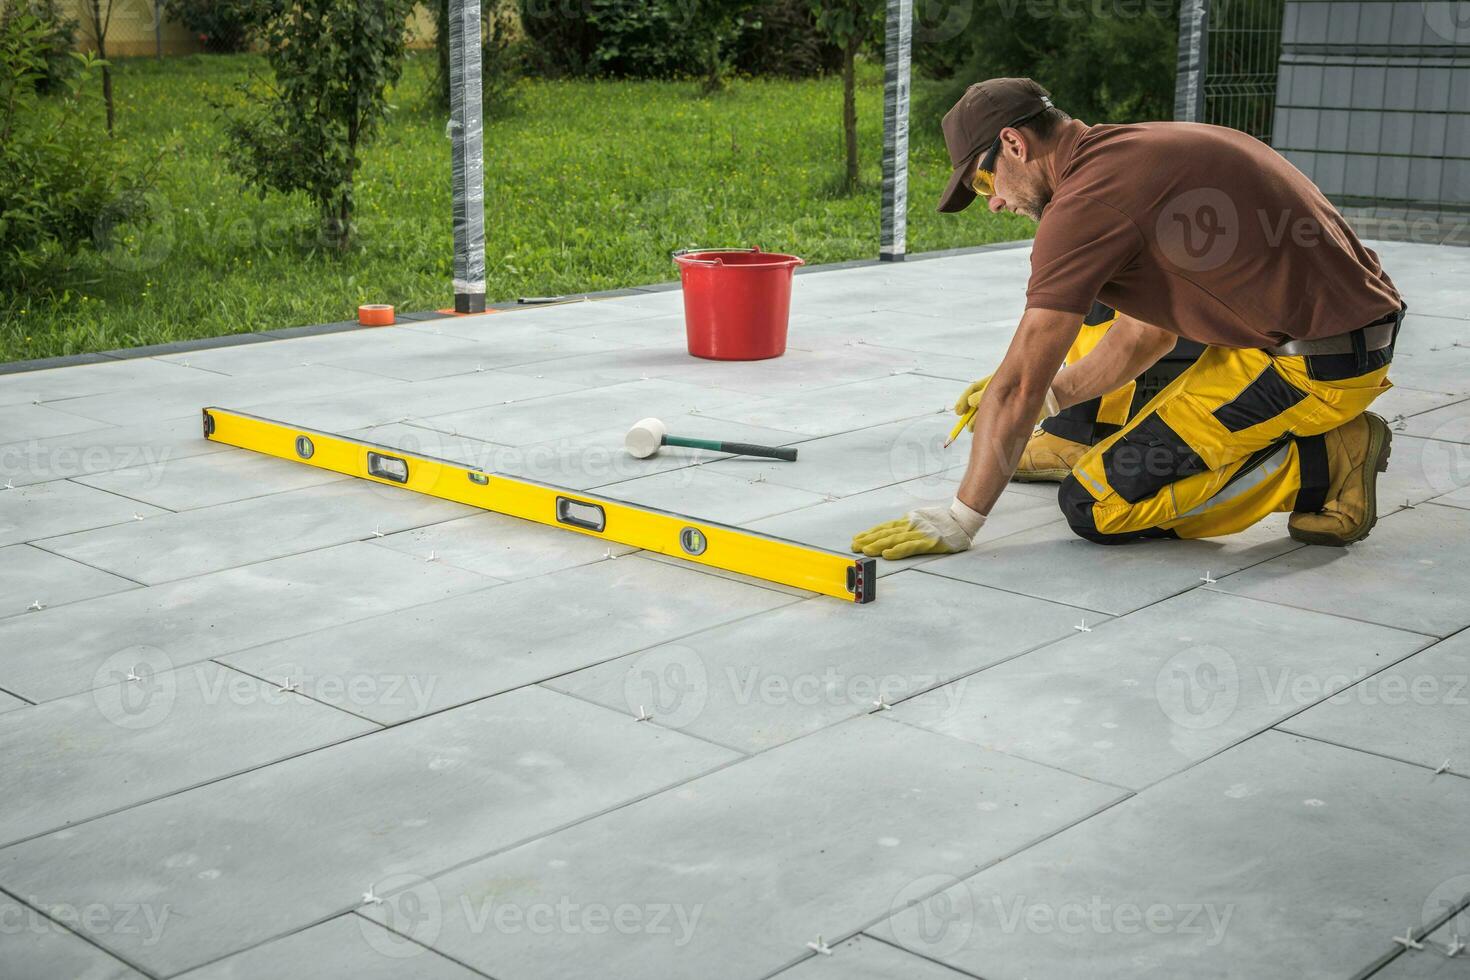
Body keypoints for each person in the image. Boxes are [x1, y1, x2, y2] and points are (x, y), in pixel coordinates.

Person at [852, 77, 1403, 560]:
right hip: (1304, 334)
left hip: (1316, 365)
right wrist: (1051, 397)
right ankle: (1103, 433)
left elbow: (1018, 382)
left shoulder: (1088, 204)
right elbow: (1147, 331)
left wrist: (961, 518)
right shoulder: (1123, 152)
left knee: (1097, 505)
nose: (993, 203)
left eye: (981, 182)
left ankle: (1324, 462)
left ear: (1014, 144)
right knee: (1099, 294)